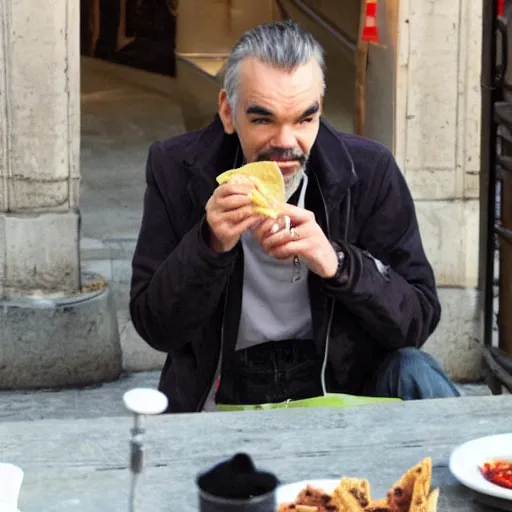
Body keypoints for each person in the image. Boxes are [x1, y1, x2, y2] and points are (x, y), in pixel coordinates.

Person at [129, 20, 460, 413]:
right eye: (263, 119)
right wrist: (208, 245)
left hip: (342, 381)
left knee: (415, 371)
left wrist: (337, 262)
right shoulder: (177, 168)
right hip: (226, 385)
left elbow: (417, 320)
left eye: (304, 119)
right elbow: (156, 326)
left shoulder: (369, 171)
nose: (286, 143)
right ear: (228, 112)